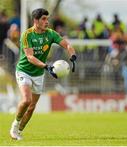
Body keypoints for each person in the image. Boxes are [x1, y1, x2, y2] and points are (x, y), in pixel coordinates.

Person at [9, 8, 77, 140]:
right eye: (44, 19)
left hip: (38, 74)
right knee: (26, 100)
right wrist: (47, 66)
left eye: (47, 19)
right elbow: (30, 57)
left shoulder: (50, 34)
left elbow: (67, 45)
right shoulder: (27, 34)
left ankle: (18, 131)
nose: (47, 22)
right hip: (24, 71)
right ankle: (14, 126)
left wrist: (73, 55)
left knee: (32, 107)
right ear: (36, 20)